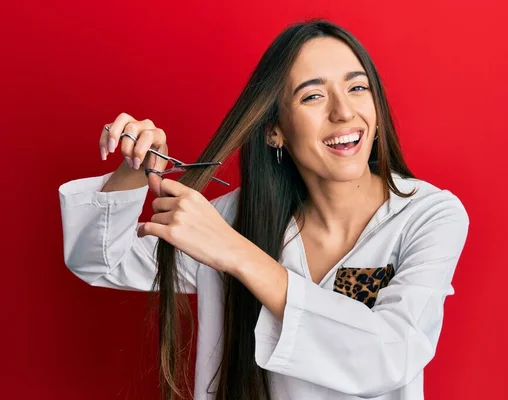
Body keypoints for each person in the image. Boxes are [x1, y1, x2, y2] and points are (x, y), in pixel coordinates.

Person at [58, 19, 469, 400]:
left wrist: (237, 253)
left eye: (357, 88)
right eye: (312, 95)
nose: (344, 112)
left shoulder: (428, 215)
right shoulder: (233, 217)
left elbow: (390, 355)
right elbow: (102, 262)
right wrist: (135, 169)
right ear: (275, 131)